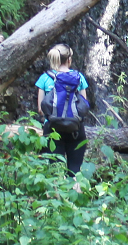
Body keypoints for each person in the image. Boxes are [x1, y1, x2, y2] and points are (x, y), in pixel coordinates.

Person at [34, 44, 93, 176]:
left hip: (52, 130)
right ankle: (77, 193)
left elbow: (40, 109)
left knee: (55, 172)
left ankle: (57, 195)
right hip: (76, 130)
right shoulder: (78, 77)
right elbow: (84, 105)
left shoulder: (44, 78)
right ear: (69, 59)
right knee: (75, 171)